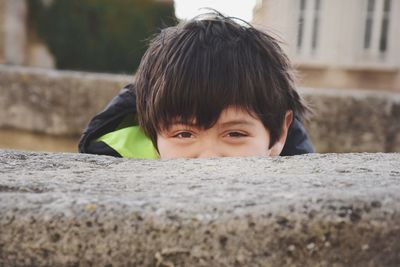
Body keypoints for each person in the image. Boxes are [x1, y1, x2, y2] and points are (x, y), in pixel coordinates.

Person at [79, 12, 314, 159]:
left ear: (280, 134)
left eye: (235, 134)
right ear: (153, 136)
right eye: (183, 133)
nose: (208, 158)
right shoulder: (118, 167)